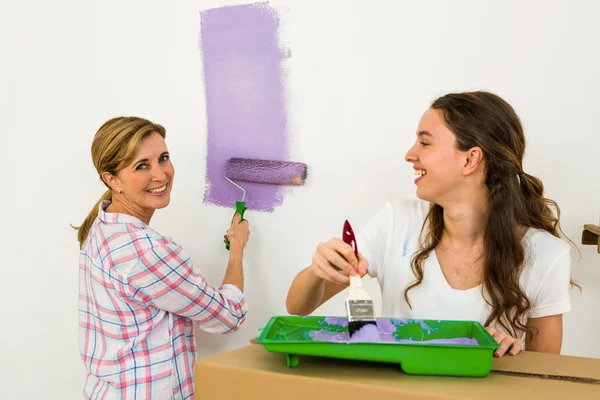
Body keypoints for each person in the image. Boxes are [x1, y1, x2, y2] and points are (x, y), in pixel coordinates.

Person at [286, 91, 574, 358]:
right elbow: (297, 307)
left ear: (470, 159)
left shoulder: (546, 255)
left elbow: (544, 378)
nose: (410, 154)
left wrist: (514, 354)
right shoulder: (396, 222)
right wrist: (318, 271)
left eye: (425, 142)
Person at [75, 117, 250, 399]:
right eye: (142, 165)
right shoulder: (145, 251)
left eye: (163, 158)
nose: (160, 174)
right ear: (111, 179)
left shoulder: (103, 225)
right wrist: (238, 250)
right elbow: (229, 316)